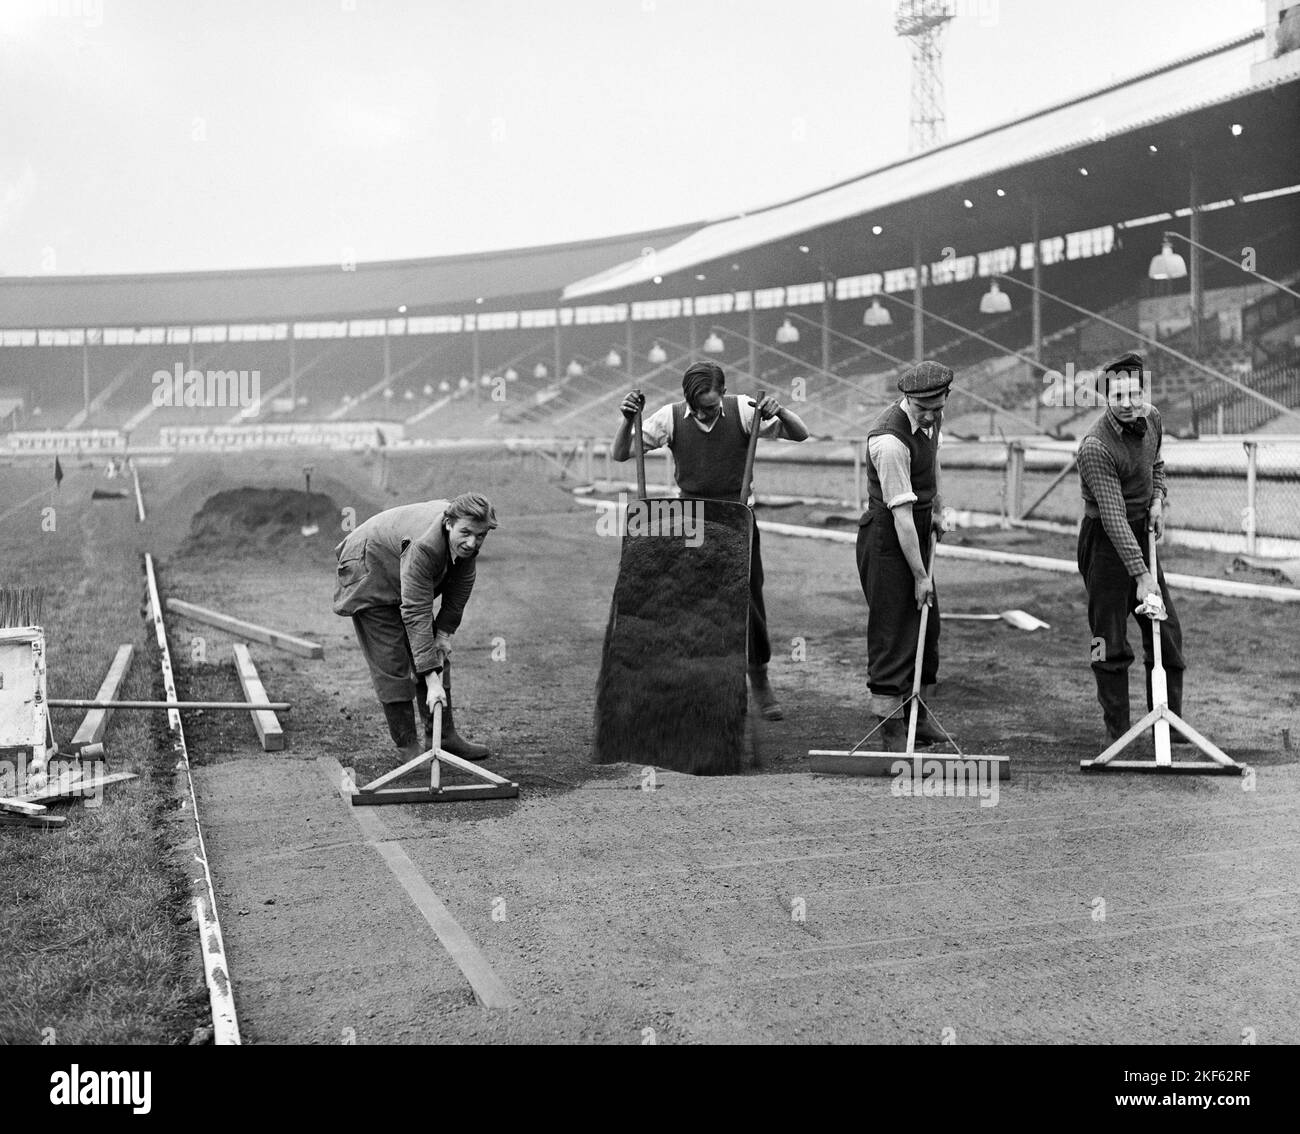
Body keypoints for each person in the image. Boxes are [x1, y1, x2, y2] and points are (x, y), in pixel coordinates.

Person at [612, 360, 809, 720]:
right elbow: (621, 453)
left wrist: (781, 410)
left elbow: (800, 434)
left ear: (724, 392)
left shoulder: (744, 410)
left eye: (714, 403)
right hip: (692, 521)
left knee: (748, 599)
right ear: (690, 400)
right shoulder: (670, 418)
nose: (709, 410)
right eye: (702, 406)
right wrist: (628, 419)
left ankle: (759, 678)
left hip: (737, 517)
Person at [332, 493, 496, 762]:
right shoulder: (424, 545)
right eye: (466, 533)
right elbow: (415, 611)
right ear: (448, 523)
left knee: (433, 649)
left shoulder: (467, 539)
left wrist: (443, 635)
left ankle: (443, 737)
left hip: (400, 563)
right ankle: (408, 747)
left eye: (480, 536)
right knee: (391, 660)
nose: (472, 542)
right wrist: (432, 679)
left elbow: (459, 590)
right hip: (370, 567)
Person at [1076, 351, 1186, 743]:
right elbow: (1112, 516)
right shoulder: (1095, 446)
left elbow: (1156, 463)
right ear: (1106, 398)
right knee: (1108, 641)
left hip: (1141, 531)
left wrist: (1157, 499)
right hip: (1105, 543)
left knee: (1166, 631)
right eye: (1118, 396)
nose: (1127, 404)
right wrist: (1141, 576)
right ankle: (1118, 733)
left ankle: (1168, 727)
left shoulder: (1151, 416)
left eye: (1133, 394)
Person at [856, 361, 953, 751]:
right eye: (921, 407)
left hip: (919, 527)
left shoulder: (933, 421)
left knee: (928, 629)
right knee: (893, 633)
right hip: (888, 539)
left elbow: (932, 465)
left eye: (937, 406)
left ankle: (919, 714)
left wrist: (940, 510)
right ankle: (890, 729)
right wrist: (920, 575)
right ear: (907, 398)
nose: (929, 415)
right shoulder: (889, 441)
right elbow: (901, 515)